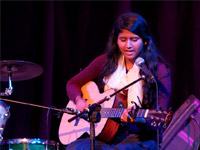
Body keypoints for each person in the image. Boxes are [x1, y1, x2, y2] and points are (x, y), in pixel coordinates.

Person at [65, 12, 171, 150]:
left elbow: (156, 119)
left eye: (134, 39)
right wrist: (79, 101)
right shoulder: (106, 62)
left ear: (144, 41)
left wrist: (137, 117)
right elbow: (72, 84)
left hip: (140, 139)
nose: (128, 45)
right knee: (74, 148)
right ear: (116, 40)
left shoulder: (159, 70)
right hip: (107, 137)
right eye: (123, 39)